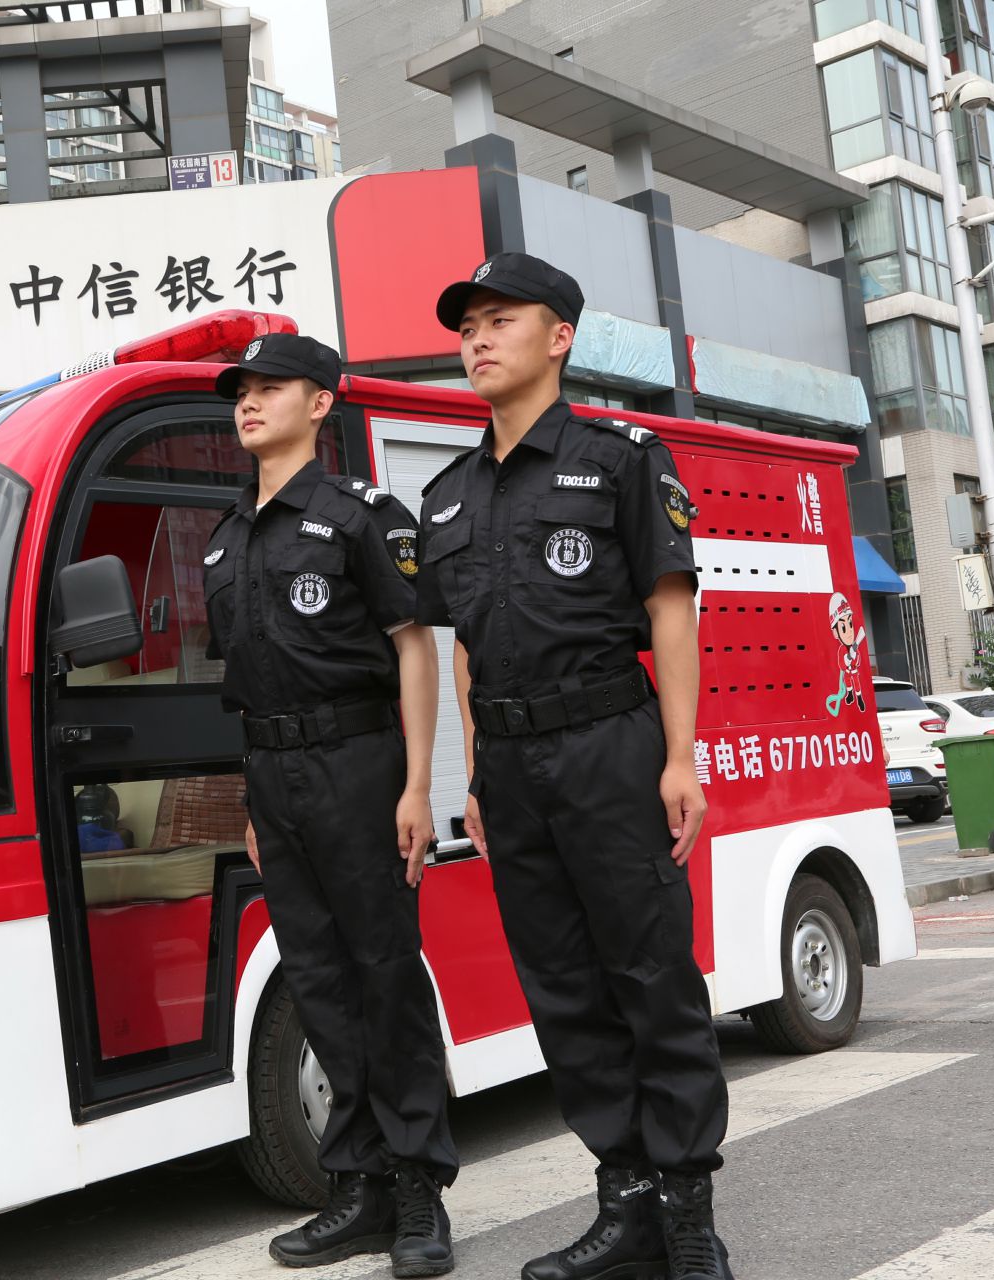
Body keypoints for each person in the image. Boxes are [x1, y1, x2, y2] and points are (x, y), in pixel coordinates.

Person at [413, 254, 733, 1280]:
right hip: (511, 767)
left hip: (609, 744)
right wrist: (474, 776)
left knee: (651, 974)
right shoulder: (448, 495)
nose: (478, 338)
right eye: (467, 326)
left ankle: (689, 1216)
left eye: (500, 319)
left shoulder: (621, 458)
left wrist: (680, 756)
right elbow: (465, 649)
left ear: (559, 337)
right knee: (562, 989)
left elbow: (670, 608)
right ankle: (626, 1205)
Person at [201, 333, 458, 1277]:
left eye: (270, 388)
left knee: (385, 976)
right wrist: (253, 800)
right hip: (275, 780)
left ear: (320, 403)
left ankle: (420, 1190)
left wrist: (417, 785)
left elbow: (413, 646)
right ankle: (360, 1187)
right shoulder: (226, 538)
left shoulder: (360, 515)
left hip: (358, 764)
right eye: (241, 390)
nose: (249, 402)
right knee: (317, 983)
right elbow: (249, 681)